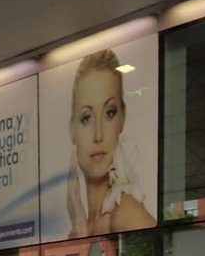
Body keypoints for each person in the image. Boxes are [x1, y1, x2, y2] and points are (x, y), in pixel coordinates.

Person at [64, 49, 155, 236]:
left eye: (109, 113)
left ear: (122, 117)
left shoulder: (125, 213)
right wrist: (80, 226)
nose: (98, 135)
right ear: (72, 129)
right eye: (86, 118)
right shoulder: (77, 231)